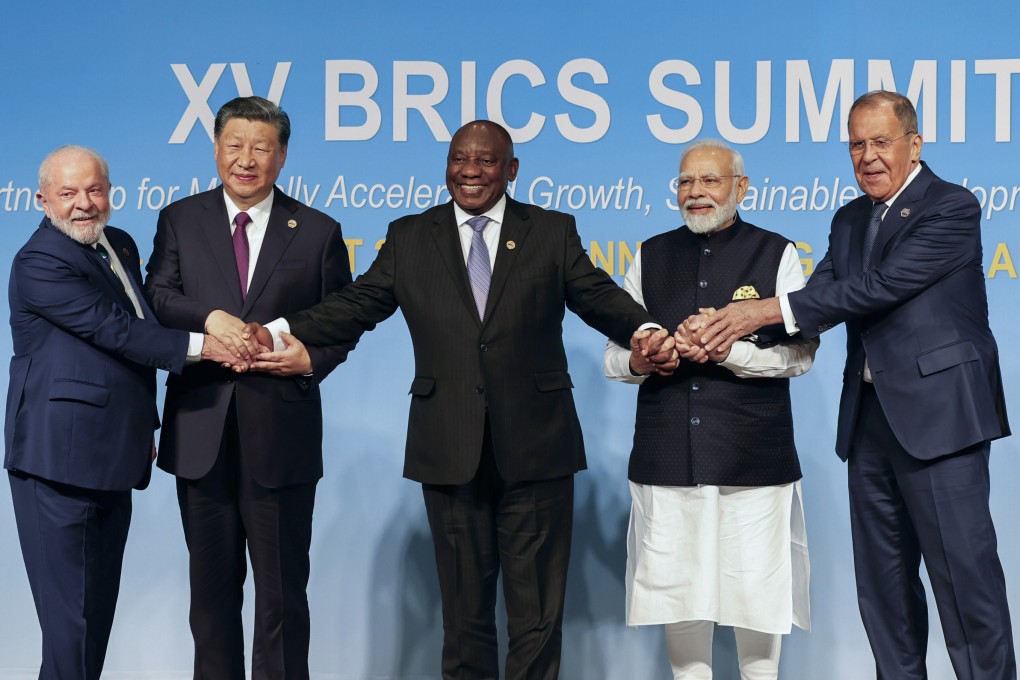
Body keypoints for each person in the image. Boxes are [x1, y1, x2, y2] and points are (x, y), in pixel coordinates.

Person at [245, 120, 674, 680]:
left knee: (537, 619)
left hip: (538, 448)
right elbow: (356, 305)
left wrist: (645, 329)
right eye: (459, 159)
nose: (470, 171)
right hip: (448, 447)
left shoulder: (550, 231)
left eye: (486, 161)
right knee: (464, 617)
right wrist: (278, 330)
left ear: (511, 170)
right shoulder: (409, 236)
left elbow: (595, 295)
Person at [694, 91, 1014, 679]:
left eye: (880, 142)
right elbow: (815, 303)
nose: (867, 156)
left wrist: (758, 312)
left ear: (913, 145)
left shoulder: (951, 207)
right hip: (869, 425)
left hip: (941, 421)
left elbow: (879, 287)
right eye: (856, 145)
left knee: (967, 589)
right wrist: (719, 333)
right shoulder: (848, 218)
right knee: (883, 592)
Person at [5, 146, 241, 680]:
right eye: (68, 194)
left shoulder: (122, 245)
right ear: (41, 200)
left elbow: (140, 321)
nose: (84, 204)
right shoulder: (39, 261)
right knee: (71, 630)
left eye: (94, 190)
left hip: (114, 454)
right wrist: (209, 345)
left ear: (110, 192)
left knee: (93, 623)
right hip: (56, 464)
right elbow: (114, 331)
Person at [143, 96, 353, 680]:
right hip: (201, 431)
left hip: (280, 437)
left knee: (283, 598)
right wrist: (209, 318)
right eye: (234, 145)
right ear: (215, 149)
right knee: (211, 600)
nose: (245, 159)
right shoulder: (180, 219)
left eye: (261, 148)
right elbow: (156, 297)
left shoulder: (316, 231)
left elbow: (343, 317)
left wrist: (310, 359)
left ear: (282, 156)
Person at [604, 139, 816, 680]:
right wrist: (645, 358)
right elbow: (614, 356)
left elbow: (800, 356)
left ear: (740, 188)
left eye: (709, 181)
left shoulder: (777, 253)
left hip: (754, 461)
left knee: (758, 599)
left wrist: (731, 351)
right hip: (668, 457)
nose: (695, 192)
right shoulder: (649, 255)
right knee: (679, 601)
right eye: (685, 182)